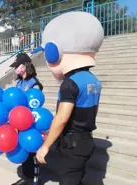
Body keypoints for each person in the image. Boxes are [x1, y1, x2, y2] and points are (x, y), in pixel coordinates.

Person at [35, 12, 104, 185]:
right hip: (86, 141)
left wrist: (45, 146)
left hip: (73, 146)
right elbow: (91, 109)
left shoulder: (70, 83)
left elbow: (61, 118)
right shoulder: (94, 80)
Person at [9, 53, 43, 185]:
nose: (16, 69)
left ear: (26, 65)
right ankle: (25, 177)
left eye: (18, 66)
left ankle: (35, 180)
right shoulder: (20, 82)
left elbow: (36, 104)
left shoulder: (34, 83)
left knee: (31, 152)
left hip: (31, 122)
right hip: (19, 121)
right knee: (24, 151)